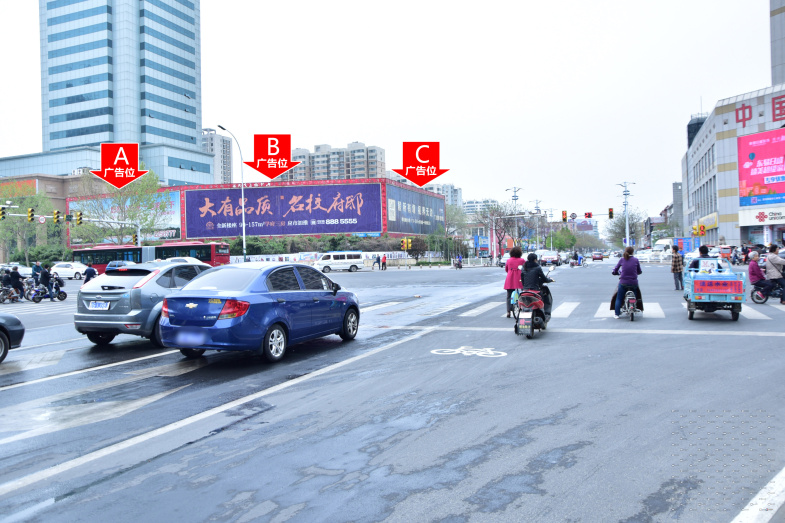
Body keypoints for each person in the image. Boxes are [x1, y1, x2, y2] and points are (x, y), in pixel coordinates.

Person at [612, 246, 642, 318]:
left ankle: (617, 314)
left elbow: (616, 269)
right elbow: (639, 271)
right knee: (635, 294)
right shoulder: (636, 260)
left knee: (619, 298)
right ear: (633, 252)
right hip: (633, 282)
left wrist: (615, 272)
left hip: (623, 282)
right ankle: (635, 304)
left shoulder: (622, 259)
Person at [503, 246, 524, 318]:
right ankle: (523, 307)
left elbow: (506, 269)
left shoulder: (509, 260)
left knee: (509, 295)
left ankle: (508, 311)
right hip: (520, 278)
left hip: (510, 278)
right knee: (524, 293)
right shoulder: (522, 260)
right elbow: (525, 269)